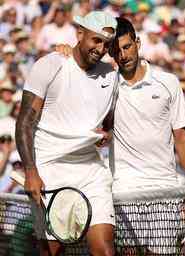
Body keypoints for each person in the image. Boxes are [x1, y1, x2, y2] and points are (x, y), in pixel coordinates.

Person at [56, 17, 185, 255]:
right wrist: (65, 53)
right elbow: (77, 73)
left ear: (138, 43)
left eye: (127, 47)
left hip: (164, 189)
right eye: (116, 51)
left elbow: (181, 138)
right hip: (124, 188)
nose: (123, 55)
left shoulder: (168, 83)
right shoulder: (105, 84)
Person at [15, 11, 118, 256]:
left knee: (105, 251)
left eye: (106, 44)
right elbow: (25, 123)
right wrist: (31, 171)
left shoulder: (112, 75)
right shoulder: (50, 64)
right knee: (51, 253)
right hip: (50, 171)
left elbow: (113, 122)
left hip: (92, 172)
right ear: (80, 34)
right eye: (96, 40)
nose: (101, 48)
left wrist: (108, 133)